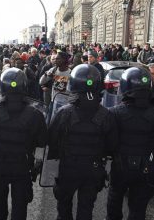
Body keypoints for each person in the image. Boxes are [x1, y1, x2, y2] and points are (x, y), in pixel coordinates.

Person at [47, 64, 118, 220]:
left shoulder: (64, 112)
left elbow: (51, 139)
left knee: (64, 207)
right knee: (86, 209)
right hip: (93, 168)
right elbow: (112, 146)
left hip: (68, 167)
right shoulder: (106, 114)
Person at [106, 67, 154, 220]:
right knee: (138, 208)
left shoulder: (114, 112)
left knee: (114, 202)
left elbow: (108, 142)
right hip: (147, 167)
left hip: (120, 166)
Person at [0, 68, 47, 220]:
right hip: (22, 166)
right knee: (19, 209)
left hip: (0, 166)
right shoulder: (35, 114)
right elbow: (43, 141)